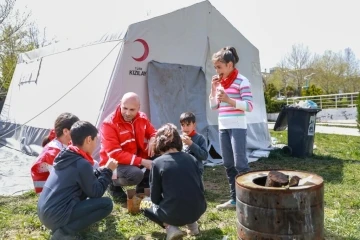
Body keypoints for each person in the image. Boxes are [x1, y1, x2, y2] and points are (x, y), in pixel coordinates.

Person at [37, 121, 118, 240]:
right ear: (89, 140)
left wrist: (102, 170)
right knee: (106, 204)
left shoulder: (66, 155)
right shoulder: (82, 163)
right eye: (96, 140)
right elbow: (96, 192)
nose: (96, 144)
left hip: (44, 212)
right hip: (56, 216)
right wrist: (108, 171)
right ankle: (63, 233)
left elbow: (86, 179)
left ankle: (63, 227)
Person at [140, 123, 207, 240]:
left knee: (144, 203)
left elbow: (155, 197)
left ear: (158, 143)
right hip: (198, 209)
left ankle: (171, 227)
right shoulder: (192, 158)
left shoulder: (157, 163)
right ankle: (192, 226)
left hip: (173, 214)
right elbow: (201, 188)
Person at [209, 46, 253, 210]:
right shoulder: (220, 83)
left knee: (240, 164)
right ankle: (235, 200)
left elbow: (249, 106)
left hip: (238, 127)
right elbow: (214, 106)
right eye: (215, 67)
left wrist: (229, 100)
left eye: (219, 67)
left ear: (229, 65)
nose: (217, 70)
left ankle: (248, 200)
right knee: (228, 163)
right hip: (223, 127)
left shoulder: (242, 80)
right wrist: (213, 90)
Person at [99, 92, 157, 202]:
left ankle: (142, 189)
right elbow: (115, 154)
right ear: (120, 104)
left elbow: (153, 131)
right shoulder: (109, 124)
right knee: (136, 175)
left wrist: (153, 139)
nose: (127, 113)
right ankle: (111, 183)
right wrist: (142, 161)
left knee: (158, 151)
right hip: (114, 163)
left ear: (139, 108)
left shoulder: (142, 117)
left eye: (132, 110)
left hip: (133, 158)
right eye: (125, 108)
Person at [31, 112, 80, 193]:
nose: (79, 134)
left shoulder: (63, 143)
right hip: (49, 194)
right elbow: (63, 180)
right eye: (76, 131)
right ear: (65, 131)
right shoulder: (53, 153)